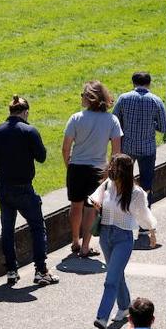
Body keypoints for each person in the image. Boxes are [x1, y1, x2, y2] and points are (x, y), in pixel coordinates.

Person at [0, 96, 57, 286]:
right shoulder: (29, 131)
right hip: (24, 188)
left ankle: (11, 270)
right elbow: (41, 157)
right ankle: (41, 270)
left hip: (3, 186)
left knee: (7, 229)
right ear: (25, 112)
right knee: (37, 226)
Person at [86, 154, 157, 329]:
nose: (111, 170)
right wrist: (97, 203)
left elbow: (143, 215)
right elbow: (94, 198)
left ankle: (101, 317)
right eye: (111, 166)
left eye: (115, 167)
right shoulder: (107, 184)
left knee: (111, 279)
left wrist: (151, 232)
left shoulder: (136, 193)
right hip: (105, 235)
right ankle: (125, 306)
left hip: (123, 238)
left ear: (124, 171)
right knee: (116, 273)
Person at [63, 80, 123, 259]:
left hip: (76, 168)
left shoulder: (76, 118)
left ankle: (75, 240)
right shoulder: (112, 120)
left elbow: (66, 148)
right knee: (91, 208)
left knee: (75, 205)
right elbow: (116, 151)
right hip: (98, 169)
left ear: (90, 98)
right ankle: (86, 246)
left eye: (83, 95)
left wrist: (69, 165)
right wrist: (110, 171)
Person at [113, 71, 166, 193]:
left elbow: (114, 122)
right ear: (149, 84)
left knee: (124, 182)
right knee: (146, 184)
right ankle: (145, 209)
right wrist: (151, 124)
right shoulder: (156, 101)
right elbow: (164, 127)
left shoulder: (123, 98)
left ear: (133, 83)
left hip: (127, 148)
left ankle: (125, 208)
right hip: (148, 149)